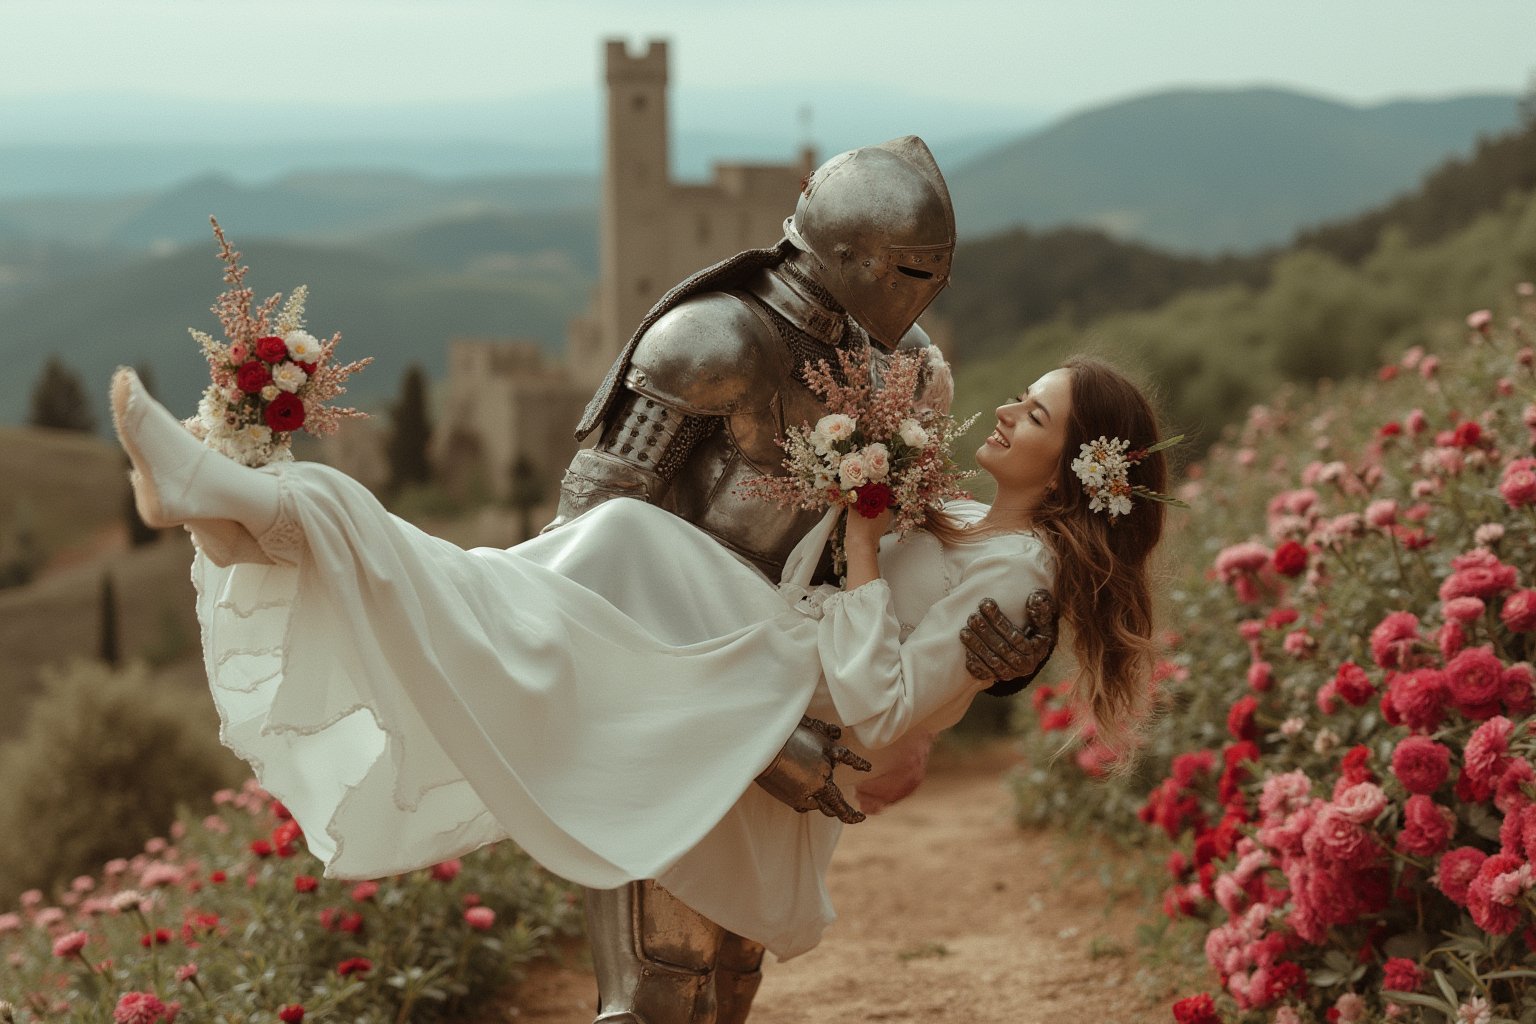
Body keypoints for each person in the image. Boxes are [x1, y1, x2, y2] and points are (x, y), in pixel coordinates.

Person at [108, 351, 1166, 1001]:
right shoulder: (986, 527)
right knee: (515, 583)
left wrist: (872, 538)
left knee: (522, 589)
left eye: (1039, 412)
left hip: (771, 696)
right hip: (757, 641)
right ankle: (254, 520)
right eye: (1024, 396)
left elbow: (882, 707)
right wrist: (856, 493)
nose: (1011, 412)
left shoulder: (1024, 583)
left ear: (1083, 461)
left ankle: (260, 515)